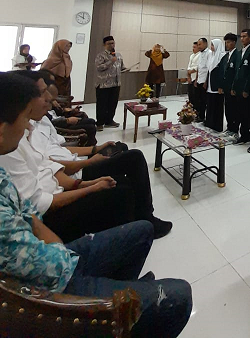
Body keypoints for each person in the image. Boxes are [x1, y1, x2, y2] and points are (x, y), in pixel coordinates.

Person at [0, 72, 192, 338]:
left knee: (142, 228)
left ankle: (123, 283)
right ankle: (117, 309)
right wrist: (88, 182)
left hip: (57, 235)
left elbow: (36, 201)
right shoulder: (13, 152)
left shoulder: (14, 152)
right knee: (179, 294)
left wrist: (86, 171)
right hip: (55, 282)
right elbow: (40, 229)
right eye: (23, 118)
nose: (27, 127)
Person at [3, 70, 172, 241]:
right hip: (62, 193)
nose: (49, 98)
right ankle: (135, 232)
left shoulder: (32, 128)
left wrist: (93, 154)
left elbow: (51, 165)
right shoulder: (13, 146)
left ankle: (143, 220)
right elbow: (39, 203)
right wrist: (89, 179)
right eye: (42, 92)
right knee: (124, 184)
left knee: (127, 161)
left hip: (70, 175)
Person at [232, 29, 250, 153]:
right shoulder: (240, 52)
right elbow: (237, 71)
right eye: (241, 36)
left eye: (245, 36)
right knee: (241, 114)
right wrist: (234, 87)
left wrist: (246, 89)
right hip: (239, 88)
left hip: (248, 89)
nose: (242, 39)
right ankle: (244, 135)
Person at [95, 36, 128, 130]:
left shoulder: (118, 55)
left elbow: (121, 67)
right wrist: (110, 61)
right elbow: (99, 67)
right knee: (102, 104)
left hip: (116, 83)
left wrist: (125, 69)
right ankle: (100, 123)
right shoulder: (101, 55)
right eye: (109, 43)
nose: (111, 45)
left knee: (113, 104)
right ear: (104, 45)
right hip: (103, 84)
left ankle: (109, 121)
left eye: (113, 43)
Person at [219, 33, 240, 139]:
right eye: (226, 42)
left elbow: (237, 73)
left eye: (229, 42)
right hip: (226, 87)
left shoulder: (238, 55)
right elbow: (222, 72)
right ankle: (229, 127)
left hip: (233, 88)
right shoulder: (225, 56)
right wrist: (221, 86)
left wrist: (234, 87)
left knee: (234, 109)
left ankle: (235, 129)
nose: (227, 44)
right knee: (227, 108)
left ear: (234, 42)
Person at [205, 39, 227, 132]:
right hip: (210, 84)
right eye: (211, 45)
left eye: (213, 45)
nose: (211, 47)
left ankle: (217, 126)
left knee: (217, 106)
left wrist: (220, 86)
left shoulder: (222, 56)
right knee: (210, 104)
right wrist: (206, 82)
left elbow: (222, 72)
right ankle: (209, 123)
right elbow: (209, 70)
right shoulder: (211, 55)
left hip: (217, 85)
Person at [194, 37, 209, 123]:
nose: (198, 46)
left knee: (204, 100)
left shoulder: (209, 53)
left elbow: (208, 69)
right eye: (198, 44)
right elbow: (198, 68)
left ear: (205, 44)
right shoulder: (199, 54)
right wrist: (196, 79)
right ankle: (199, 115)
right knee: (198, 100)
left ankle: (203, 116)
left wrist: (206, 82)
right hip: (199, 80)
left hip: (204, 81)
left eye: (200, 44)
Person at [187, 41, 200, 108]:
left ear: (198, 47)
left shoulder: (200, 55)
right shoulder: (191, 56)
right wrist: (189, 76)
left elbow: (198, 67)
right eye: (193, 47)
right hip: (191, 77)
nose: (193, 49)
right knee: (190, 96)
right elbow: (189, 66)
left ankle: (195, 111)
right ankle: (190, 110)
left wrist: (191, 71)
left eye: (195, 47)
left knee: (195, 97)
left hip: (196, 78)